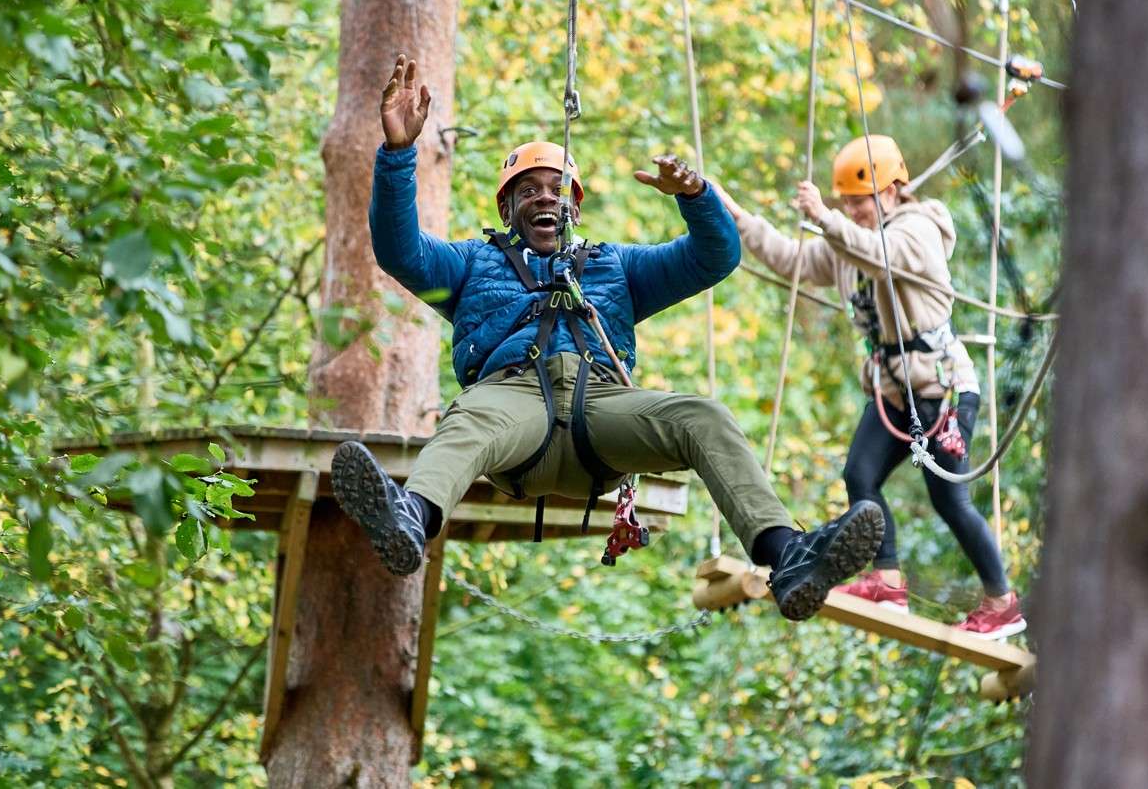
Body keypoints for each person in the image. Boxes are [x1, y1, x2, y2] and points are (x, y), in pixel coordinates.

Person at [329, 54, 885, 621]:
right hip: (514, 407)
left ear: (574, 204)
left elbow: (714, 258)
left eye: (557, 189)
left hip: (602, 410)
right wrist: (398, 154)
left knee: (704, 417)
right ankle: (409, 521)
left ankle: (786, 556)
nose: (545, 197)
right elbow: (400, 252)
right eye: (528, 191)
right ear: (507, 207)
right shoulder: (470, 264)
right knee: (468, 419)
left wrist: (696, 198)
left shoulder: (614, 266)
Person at [715, 135, 1025, 639]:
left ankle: (1002, 602)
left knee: (949, 500)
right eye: (848, 203)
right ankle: (886, 581)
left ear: (893, 190)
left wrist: (826, 219)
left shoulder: (918, 228)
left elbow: (884, 256)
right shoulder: (845, 241)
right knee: (859, 474)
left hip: (941, 388)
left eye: (860, 201)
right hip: (894, 391)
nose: (853, 210)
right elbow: (791, 259)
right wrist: (735, 215)